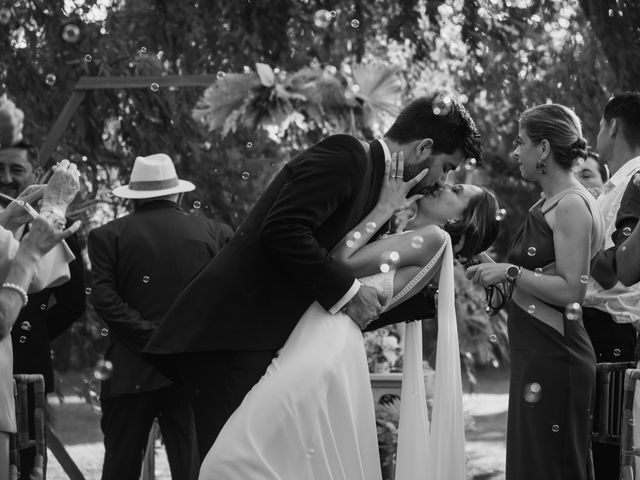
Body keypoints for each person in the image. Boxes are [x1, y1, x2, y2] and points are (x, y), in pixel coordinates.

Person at [143, 92, 484, 460]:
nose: (442, 180)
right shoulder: (347, 156)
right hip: (231, 336)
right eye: (447, 167)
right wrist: (351, 294)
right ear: (425, 148)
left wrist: (431, 296)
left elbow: (340, 278)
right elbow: (283, 229)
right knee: (231, 465)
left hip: (265, 340)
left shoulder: (383, 193)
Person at [199, 151, 500, 479]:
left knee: (232, 459)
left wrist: (385, 206)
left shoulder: (433, 238)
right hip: (321, 337)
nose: (445, 185)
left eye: (457, 193)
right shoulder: (425, 243)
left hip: (325, 342)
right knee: (285, 460)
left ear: (459, 221)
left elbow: (340, 263)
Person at [466, 104, 604, 480]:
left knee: (552, 468)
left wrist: (508, 270)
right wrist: (477, 259)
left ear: (543, 148)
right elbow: (533, 279)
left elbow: (569, 292)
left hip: (558, 357)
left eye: (520, 142)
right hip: (536, 355)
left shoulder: (572, 205)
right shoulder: (547, 204)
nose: (514, 152)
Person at [87, 153, 233, 480]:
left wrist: (150, 336)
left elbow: (105, 299)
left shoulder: (107, 236)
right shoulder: (216, 233)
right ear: (178, 193)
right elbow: (227, 300)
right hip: (192, 372)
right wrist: (180, 340)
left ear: (135, 196)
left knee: (120, 469)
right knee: (195, 470)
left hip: (129, 370)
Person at [0, 140, 86, 473]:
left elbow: (72, 301)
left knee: (30, 462)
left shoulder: (59, 232)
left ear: (35, 174)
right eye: (0, 169)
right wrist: (54, 208)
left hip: (28, 362)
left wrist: (34, 332)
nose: (6, 178)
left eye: (16, 169)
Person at [578, 92, 640, 478]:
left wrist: (575, 252)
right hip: (599, 326)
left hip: (613, 328)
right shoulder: (614, 185)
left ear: (613, 126)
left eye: (599, 126)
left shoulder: (631, 182)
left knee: (610, 452)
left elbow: (615, 269)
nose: (597, 133)